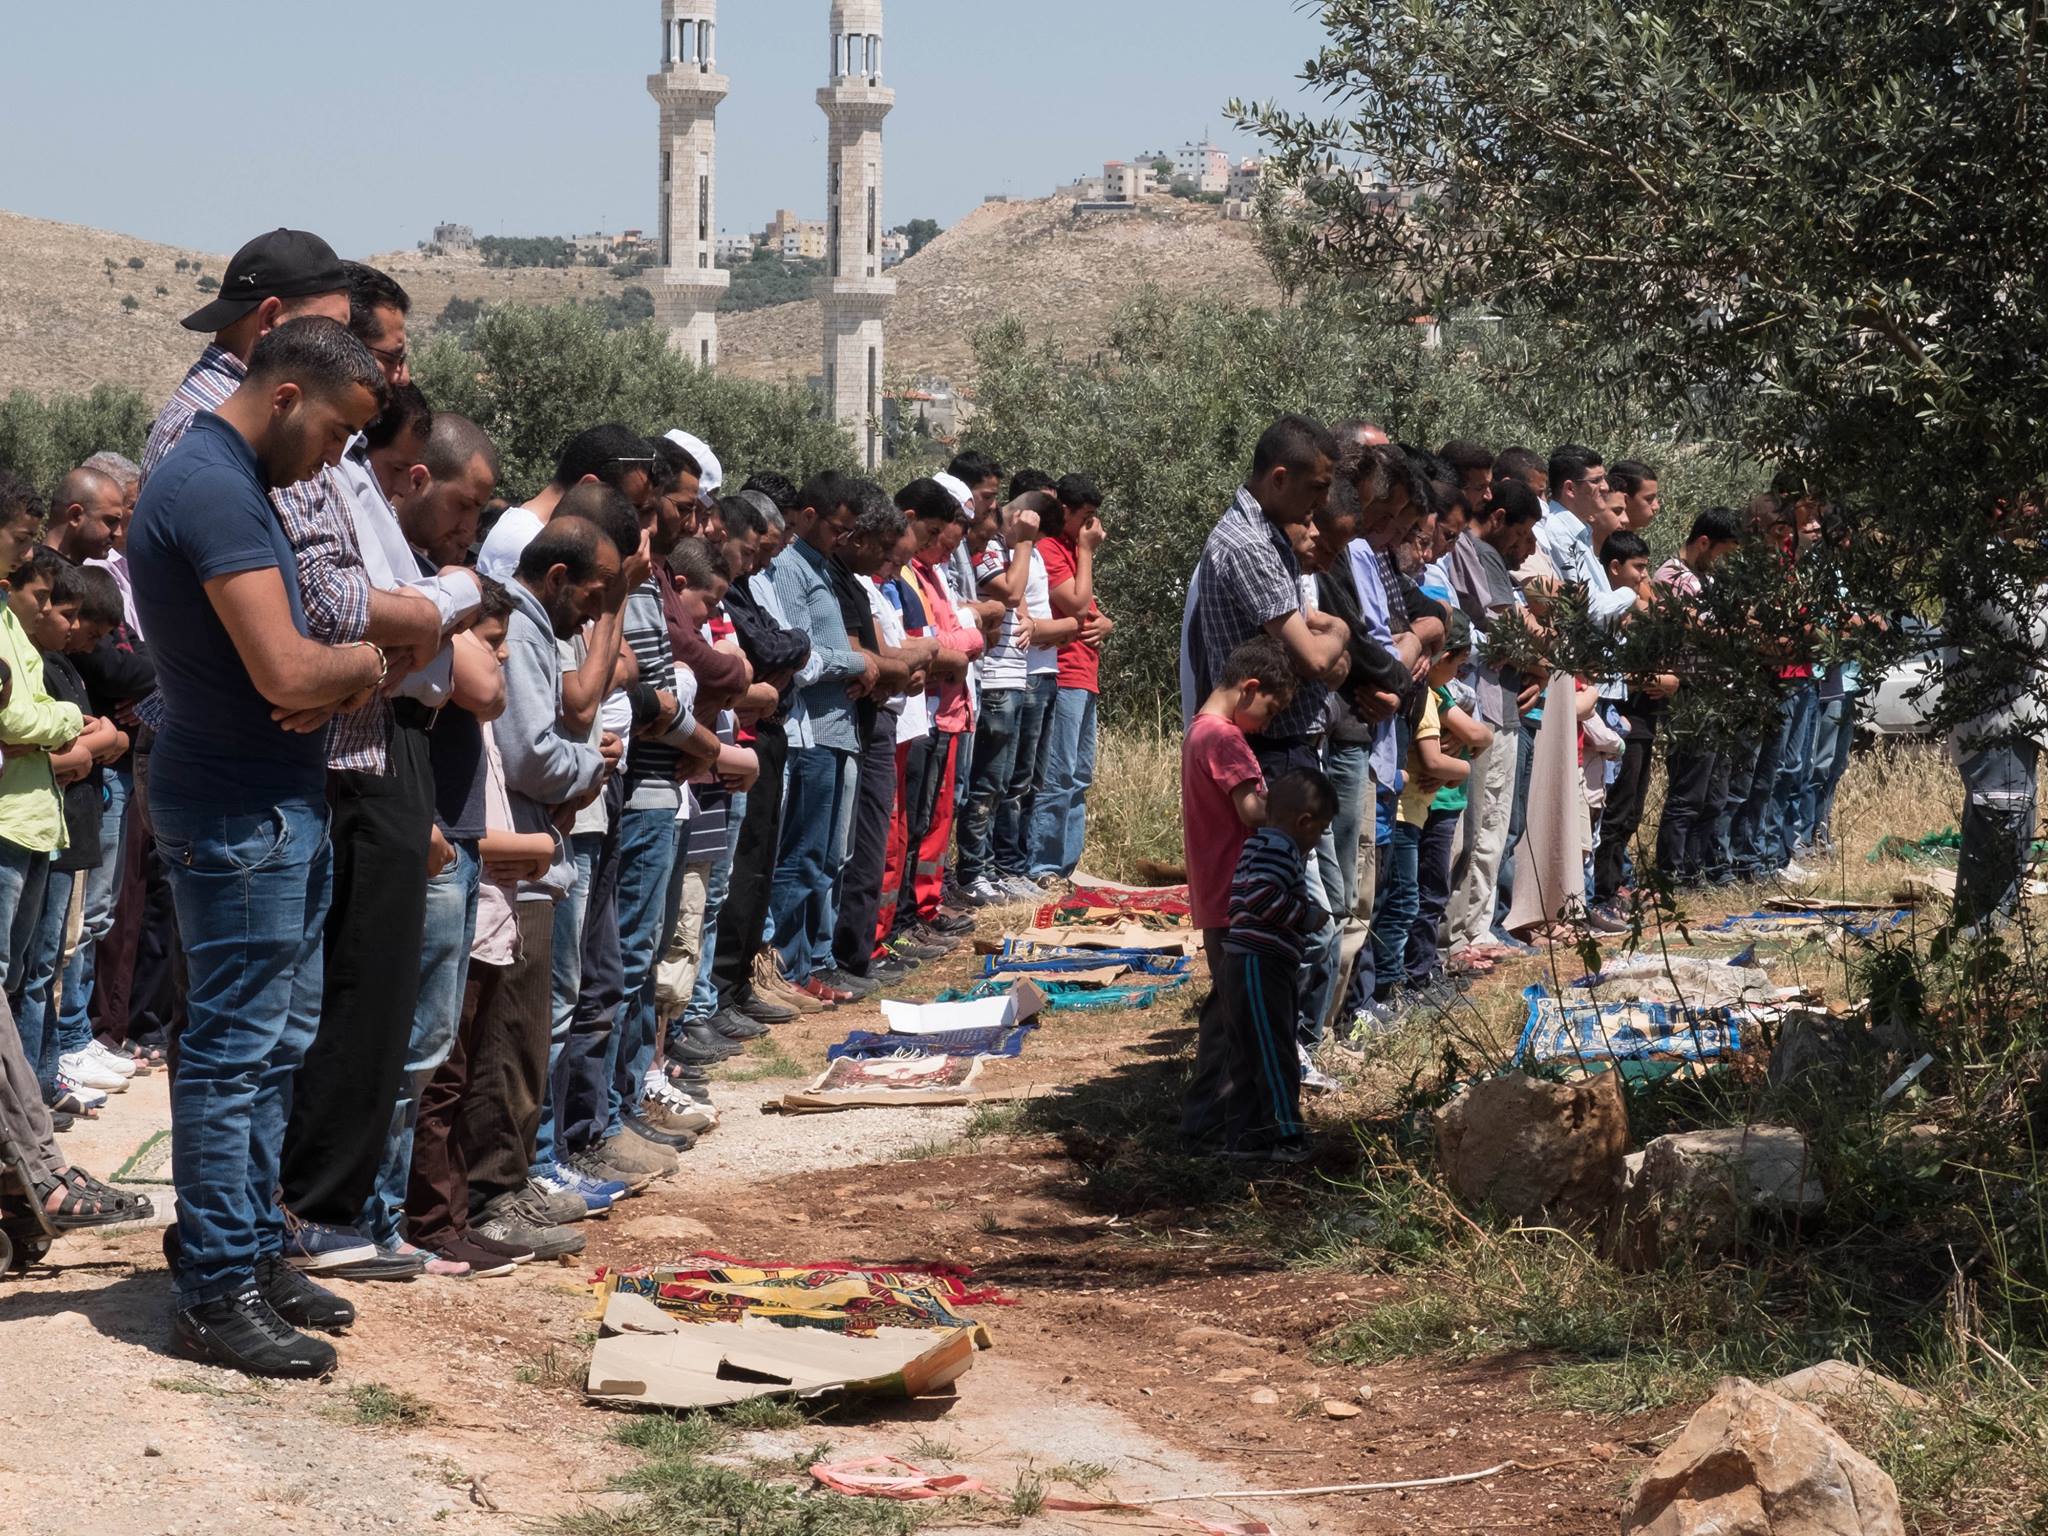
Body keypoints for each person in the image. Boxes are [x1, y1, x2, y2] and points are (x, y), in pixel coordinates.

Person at [130, 316, 392, 1378]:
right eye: (334, 435)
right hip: (240, 810)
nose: (334, 461)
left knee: (274, 1047)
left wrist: (328, 668)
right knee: (233, 1054)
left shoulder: (236, 480)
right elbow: (289, 673)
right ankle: (215, 1289)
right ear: (285, 395)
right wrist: (367, 659)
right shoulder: (211, 486)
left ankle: (249, 1246)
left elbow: (291, 670)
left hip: (272, 802)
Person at [766, 473, 882, 999]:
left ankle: (806, 961)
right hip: (811, 732)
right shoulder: (791, 569)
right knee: (804, 854)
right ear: (808, 516)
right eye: (837, 527)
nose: (843, 539)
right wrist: (855, 662)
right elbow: (801, 656)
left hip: (836, 730)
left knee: (828, 856)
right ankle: (784, 968)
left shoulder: (819, 568)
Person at [1185, 768, 1335, 1163]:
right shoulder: (1280, 850)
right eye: (1321, 830)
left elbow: (1242, 899)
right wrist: (1306, 915)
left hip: (1252, 963)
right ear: (1304, 823)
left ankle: (1248, 1137)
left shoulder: (1257, 843)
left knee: (1250, 1053)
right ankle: (1286, 1137)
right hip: (1259, 965)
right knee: (1273, 1052)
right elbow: (1261, 898)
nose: (1318, 839)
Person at [1026, 475, 1114, 885]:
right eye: (1086, 518)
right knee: (1058, 775)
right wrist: (1085, 550)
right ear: (1065, 512)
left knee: (1079, 776)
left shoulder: (1067, 550)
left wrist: (1106, 623)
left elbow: (1089, 610)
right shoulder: (1050, 549)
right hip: (1065, 672)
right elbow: (1076, 603)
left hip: (1085, 673)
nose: (1094, 528)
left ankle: (1065, 867)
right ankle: (1043, 865)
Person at [1589, 529, 1679, 916]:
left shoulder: (1633, 608)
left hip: (1639, 717)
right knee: (1614, 807)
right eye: (1638, 568)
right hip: (1621, 714)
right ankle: (1604, 891)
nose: (1644, 577)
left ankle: (1616, 884)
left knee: (1631, 808)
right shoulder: (1610, 608)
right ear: (1614, 567)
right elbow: (1612, 669)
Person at [1651, 508, 1742, 885]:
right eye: (1724, 552)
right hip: (1690, 694)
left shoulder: (1709, 579)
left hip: (1717, 692)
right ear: (1704, 542)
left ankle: (1696, 866)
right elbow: (1707, 630)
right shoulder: (1673, 577)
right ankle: (1672, 872)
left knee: (1715, 791)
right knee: (1689, 790)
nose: (1727, 562)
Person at [1403, 614, 1490, 998]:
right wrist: (1460, 763)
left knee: (1427, 890)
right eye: (1455, 663)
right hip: (1432, 804)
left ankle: (1423, 967)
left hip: (1440, 801)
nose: (1458, 672)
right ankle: (1417, 973)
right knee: (1426, 891)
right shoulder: (1432, 696)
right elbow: (1477, 734)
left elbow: (1480, 733)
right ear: (1440, 659)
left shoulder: (1444, 694)